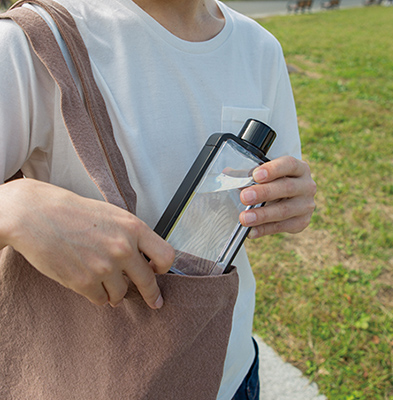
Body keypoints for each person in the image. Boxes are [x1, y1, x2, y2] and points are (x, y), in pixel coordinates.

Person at [0, 0, 316, 398]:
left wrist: (291, 200)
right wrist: (14, 207)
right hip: (87, 378)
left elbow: (279, 181)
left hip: (230, 372)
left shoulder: (260, 47)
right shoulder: (34, 41)